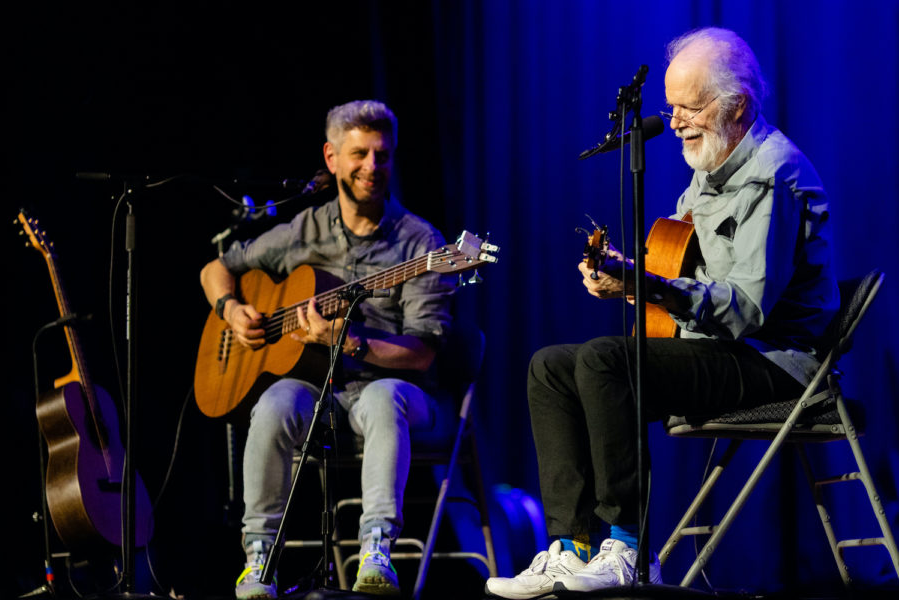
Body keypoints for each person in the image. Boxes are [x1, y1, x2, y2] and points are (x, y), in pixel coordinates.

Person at [485, 27, 838, 598]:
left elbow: (747, 309)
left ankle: (628, 548)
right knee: (549, 366)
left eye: (689, 108)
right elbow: (684, 275)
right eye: (669, 107)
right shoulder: (708, 169)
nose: (673, 122)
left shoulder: (775, 176)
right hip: (715, 347)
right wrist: (629, 283)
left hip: (772, 359)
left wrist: (652, 286)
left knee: (606, 359)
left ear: (737, 105)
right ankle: (571, 550)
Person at [200, 100, 456, 598]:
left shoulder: (422, 243)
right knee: (274, 402)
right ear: (331, 156)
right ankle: (259, 558)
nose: (372, 167)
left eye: (382, 155)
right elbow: (215, 268)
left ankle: (376, 550)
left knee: (385, 397)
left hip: (397, 396)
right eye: (358, 154)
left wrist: (351, 341)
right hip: (319, 392)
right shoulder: (303, 230)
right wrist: (232, 310)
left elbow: (424, 354)